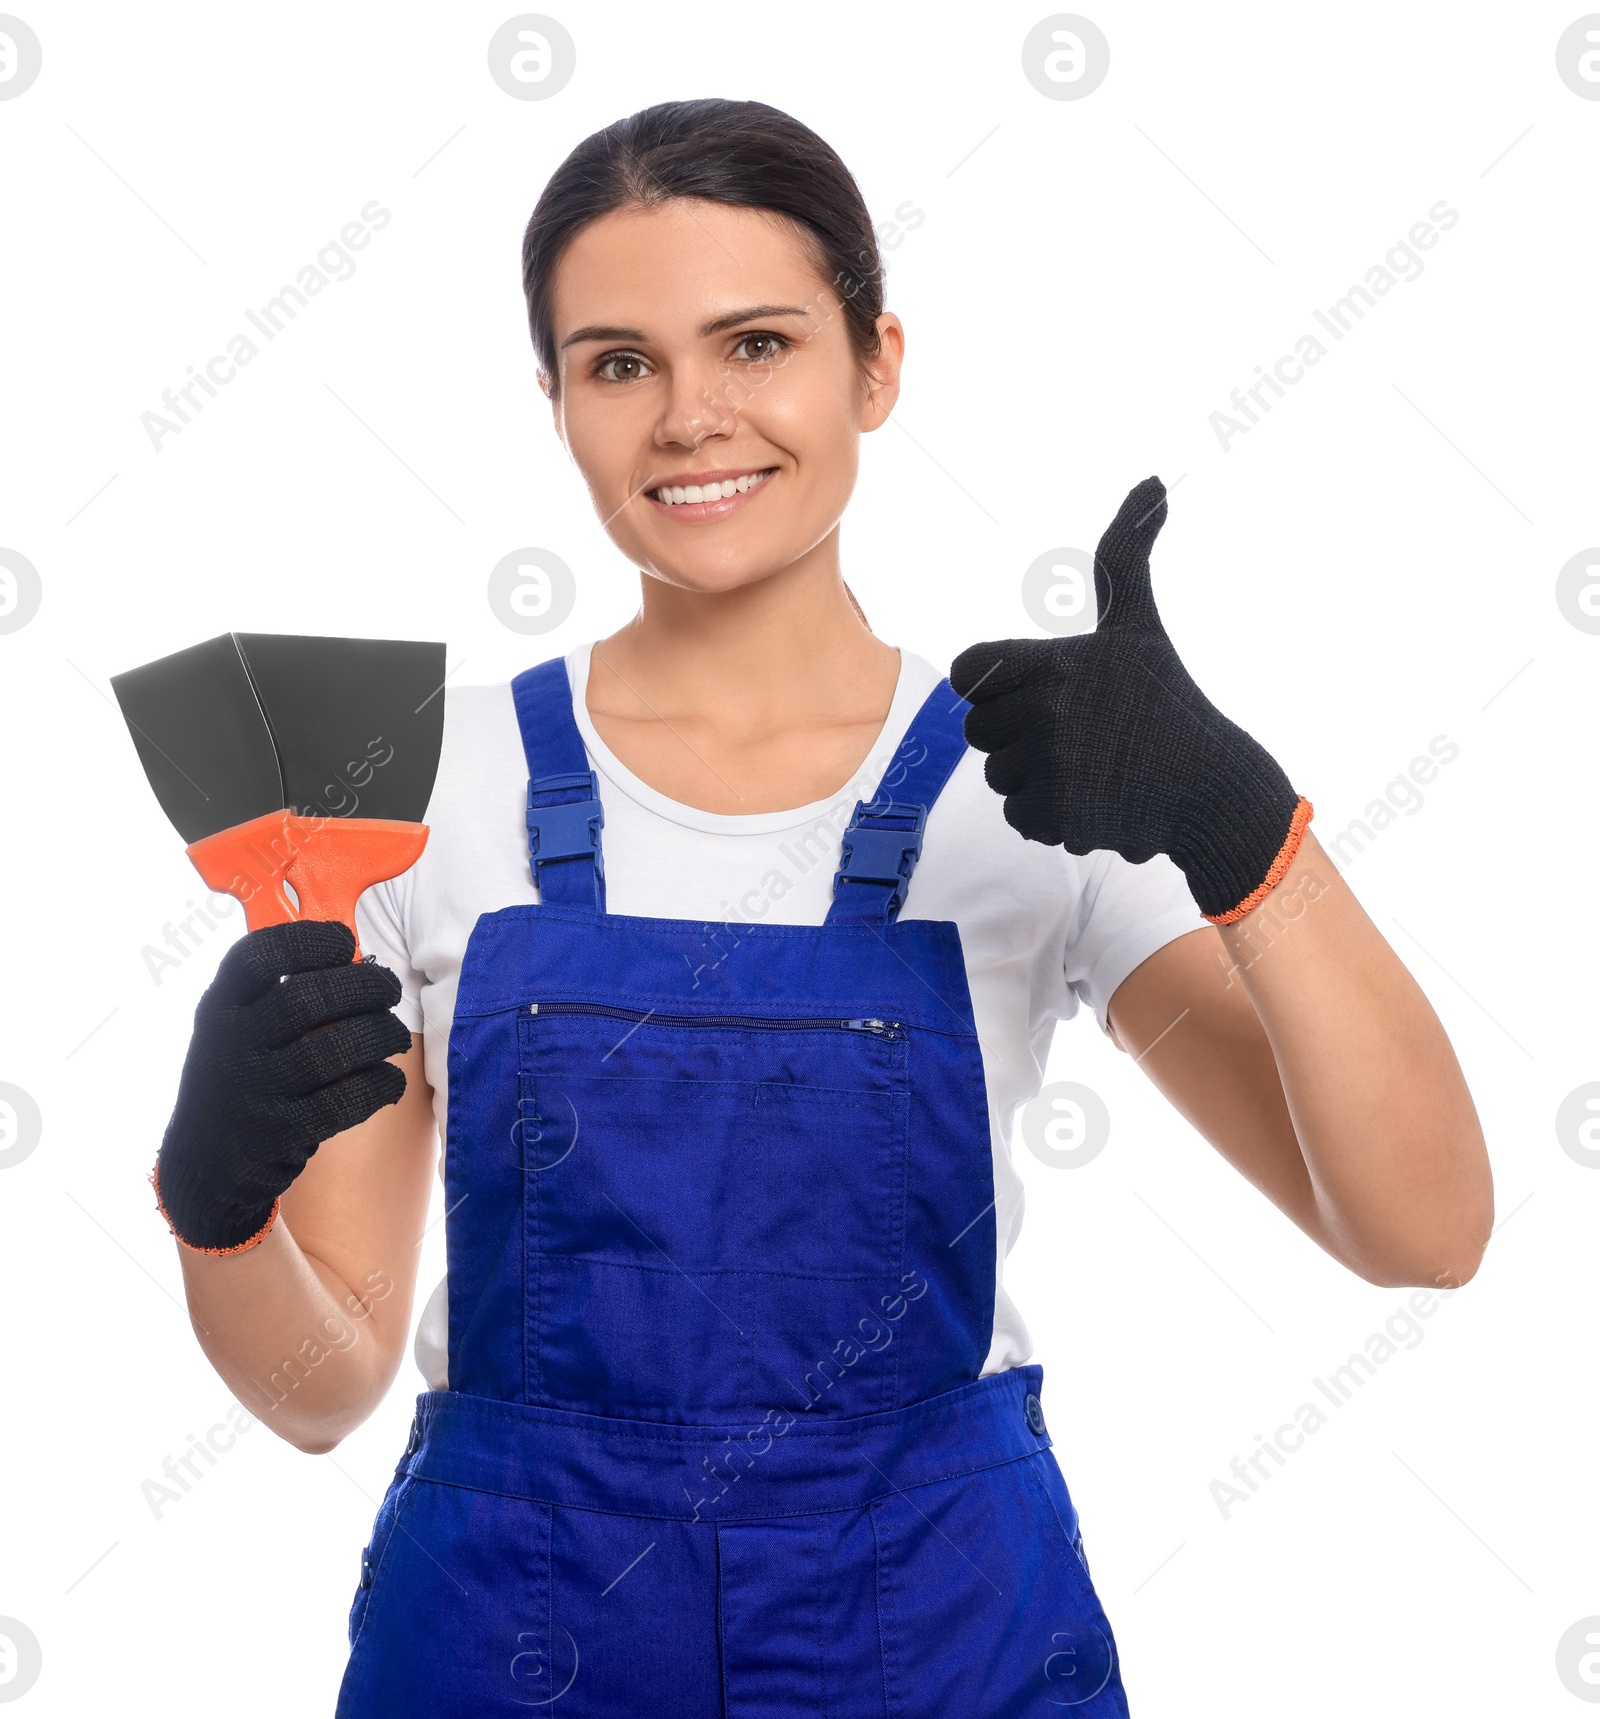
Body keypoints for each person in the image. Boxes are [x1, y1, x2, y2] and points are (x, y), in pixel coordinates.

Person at [149, 98, 1494, 1717]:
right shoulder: (424, 798)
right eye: (619, 362)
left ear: (877, 364)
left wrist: (1241, 826)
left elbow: (1425, 1232)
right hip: (515, 1638)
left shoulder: (1043, 788)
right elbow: (321, 1388)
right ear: (557, 404)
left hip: (936, 1636)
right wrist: (215, 1204)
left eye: (757, 343)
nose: (690, 417)